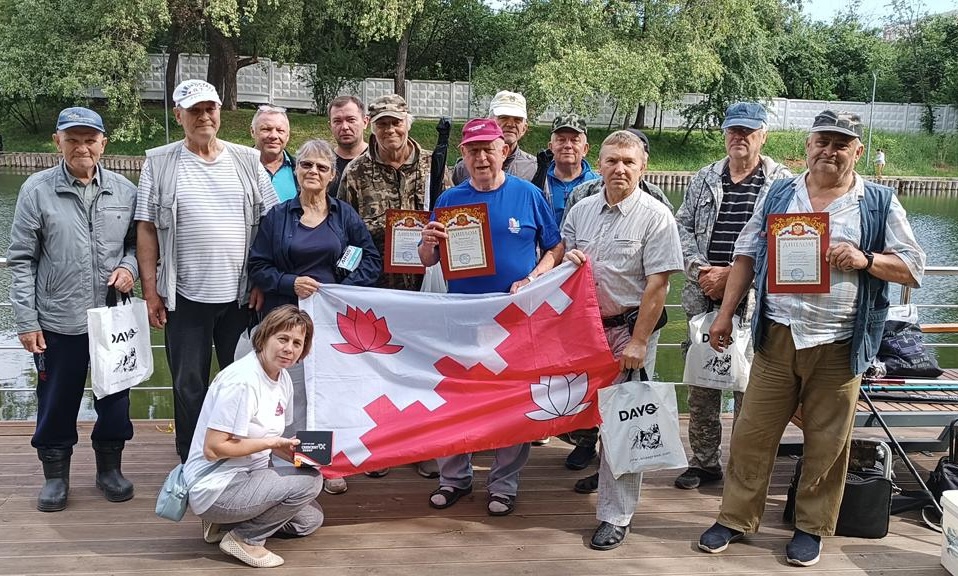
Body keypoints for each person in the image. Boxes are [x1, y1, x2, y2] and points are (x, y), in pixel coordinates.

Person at [697, 110, 925, 567]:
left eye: (841, 144)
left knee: (828, 443)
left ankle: (811, 526)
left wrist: (865, 259)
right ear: (807, 146)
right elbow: (746, 254)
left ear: (857, 151)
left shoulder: (878, 202)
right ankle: (736, 517)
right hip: (778, 335)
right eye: (822, 141)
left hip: (840, 343)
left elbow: (913, 267)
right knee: (751, 435)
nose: (829, 151)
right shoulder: (781, 193)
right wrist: (724, 314)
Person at [418, 118, 564, 516]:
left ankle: (503, 484)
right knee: (455, 399)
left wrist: (533, 278)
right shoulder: (450, 199)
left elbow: (555, 248)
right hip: (461, 319)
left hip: (514, 319)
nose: (481, 157)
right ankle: (454, 478)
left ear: (504, 150)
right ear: (463, 155)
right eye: (473, 150)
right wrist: (427, 244)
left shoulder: (528, 194)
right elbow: (428, 259)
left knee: (511, 401)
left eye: (488, 149)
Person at [135, 79, 279, 464]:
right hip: (184, 296)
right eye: (194, 110)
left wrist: (261, 280)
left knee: (243, 382)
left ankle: (242, 455)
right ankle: (192, 458)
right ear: (178, 115)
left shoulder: (247, 160)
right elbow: (146, 228)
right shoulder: (159, 162)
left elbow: (271, 224)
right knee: (188, 384)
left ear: (219, 112)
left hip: (241, 297)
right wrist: (150, 292)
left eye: (209, 109)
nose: (203, 117)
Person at [8, 107, 139, 512]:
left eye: (90, 139)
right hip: (58, 320)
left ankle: (109, 469)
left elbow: (137, 244)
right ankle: (55, 475)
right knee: (56, 400)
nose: (82, 147)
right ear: (58, 142)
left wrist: (129, 267)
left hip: (112, 320)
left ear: (103, 143)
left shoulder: (124, 190)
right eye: (73, 140)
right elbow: (21, 259)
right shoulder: (37, 190)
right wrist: (26, 321)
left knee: (115, 399)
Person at [562, 130, 683, 550]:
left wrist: (639, 341)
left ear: (643, 166)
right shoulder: (580, 210)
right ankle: (603, 473)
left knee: (625, 421)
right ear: (599, 163)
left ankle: (616, 515)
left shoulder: (656, 216)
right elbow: (564, 261)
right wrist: (567, 259)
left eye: (628, 162)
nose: (619, 169)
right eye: (612, 160)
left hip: (629, 331)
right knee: (587, 413)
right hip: (585, 331)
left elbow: (658, 285)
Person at [248, 138, 382, 495]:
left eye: (322, 167)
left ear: (332, 175)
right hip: (285, 320)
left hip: (329, 322)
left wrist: (341, 290)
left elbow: (369, 259)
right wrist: (290, 282)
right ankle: (291, 464)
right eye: (306, 165)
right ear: (296, 170)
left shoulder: (344, 216)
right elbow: (258, 266)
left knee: (325, 393)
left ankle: (321, 463)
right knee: (289, 392)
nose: (313, 172)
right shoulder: (278, 216)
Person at [673, 102, 792, 491]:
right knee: (701, 385)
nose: (739, 137)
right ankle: (704, 462)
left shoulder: (783, 183)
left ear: (763, 136)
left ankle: (743, 468)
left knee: (750, 391)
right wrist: (701, 271)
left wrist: (735, 278)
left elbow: (786, 244)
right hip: (703, 297)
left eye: (748, 131)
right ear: (725, 134)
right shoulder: (705, 176)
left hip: (756, 305)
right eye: (733, 130)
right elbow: (681, 226)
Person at [340, 93, 448, 480]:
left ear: (408, 123)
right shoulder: (355, 172)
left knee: (423, 368)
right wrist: (344, 282)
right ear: (372, 126)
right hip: (377, 288)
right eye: (382, 123)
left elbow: (451, 218)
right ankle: (380, 447)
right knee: (377, 370)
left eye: (396, 122)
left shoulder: (434, 165)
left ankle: (421, 446)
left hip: (425, 288)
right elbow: (344, 234)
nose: (390, 130)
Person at [183, 305, 324, 569]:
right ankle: (245, 539)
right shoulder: (242, 381)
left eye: (297, 343)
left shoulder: (282, 378)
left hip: (250, 475)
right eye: (282, 339)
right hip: (217, 484)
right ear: (265, 336)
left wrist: (306, 455)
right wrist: (271, 444)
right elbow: (213, 448)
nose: (289, 349)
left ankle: (224, 524)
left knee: (309, 520)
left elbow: (274, 438)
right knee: (310, 483)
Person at [451, 90, 537, 185]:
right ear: (489, 121)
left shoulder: (533, 167)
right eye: (503, 117)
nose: (510, 124)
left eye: (517, 120)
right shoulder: (465, 167)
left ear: (524, 128)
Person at [541, 114, 600, 224]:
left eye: (574, 140)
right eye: (561, 140)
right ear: (551, 147)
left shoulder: (598, 185)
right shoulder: (539, 181)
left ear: (585, 149)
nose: (568, 145)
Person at [251, 105, 297, 202]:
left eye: (280, 130)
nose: (273, 136)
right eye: (266, 129)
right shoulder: (239, 168)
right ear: (252, 131)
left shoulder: (300, 169)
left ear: (288, 135)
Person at [328, 95, 369, 198]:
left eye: (351, 120)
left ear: (365, 122)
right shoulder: (323, 165)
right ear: (330, 126)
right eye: (337, 121)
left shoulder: (379, 160)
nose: (345, 127)